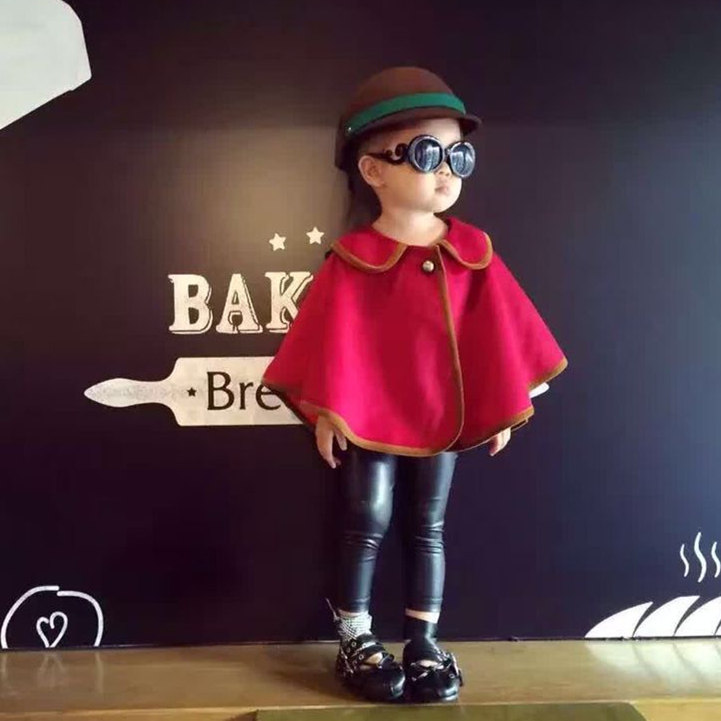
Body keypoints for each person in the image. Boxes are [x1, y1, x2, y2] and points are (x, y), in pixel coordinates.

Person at [261, 66, 568, 704]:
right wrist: (327, 409)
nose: (447, 171)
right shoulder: (353, 259)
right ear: (373, 170)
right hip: (369, 418)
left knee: (428, 524)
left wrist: (505, 407)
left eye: (459, 155)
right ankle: (356, 636)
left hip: (443, 418)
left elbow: (504, 334)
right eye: (427, 154)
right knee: (366, 518)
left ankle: (424, 640)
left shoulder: (473, 250)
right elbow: (328, 339)